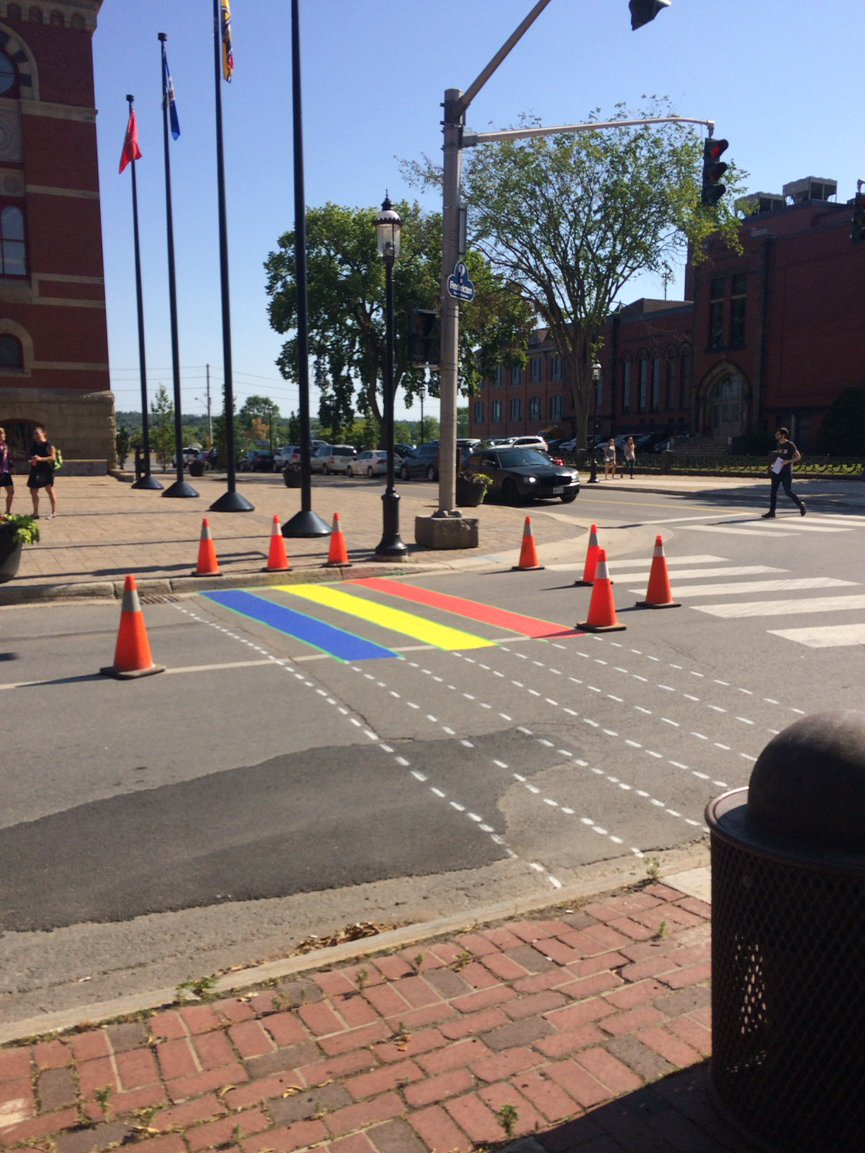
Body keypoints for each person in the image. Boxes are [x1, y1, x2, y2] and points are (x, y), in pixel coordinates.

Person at [762, 426, 806, 518]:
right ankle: (772, 511)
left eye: (778, 434)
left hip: (786, 472)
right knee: (773, 492)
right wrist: (773, 465)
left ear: (783, 435)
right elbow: (779, 457)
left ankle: (801, 505)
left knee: (787, 491)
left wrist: (789, 461)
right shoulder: (778, 444)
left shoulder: (790, 444)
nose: (776, 435)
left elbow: (798, 457)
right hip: (777, 471)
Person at [27, 424, 57, 518]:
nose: (36, 436)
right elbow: (32, 456)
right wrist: (32, 460)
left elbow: (53, 458)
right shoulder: (34, 445)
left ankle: (54, 512)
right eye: (34, 434)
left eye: (37, 433)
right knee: (33, 491)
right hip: (36, 470)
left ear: (43, 433)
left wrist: (40, 459)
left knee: (49, 490)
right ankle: (35, 513)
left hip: (46, 470)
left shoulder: (49, 445)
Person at [0, 426, 13, 514]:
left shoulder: (5, 445)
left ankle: (7, 511)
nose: (2, 435)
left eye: (3, 433)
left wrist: (12, 466)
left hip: (6, 471)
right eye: (0, 433)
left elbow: (8, 457)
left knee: (11, 492)